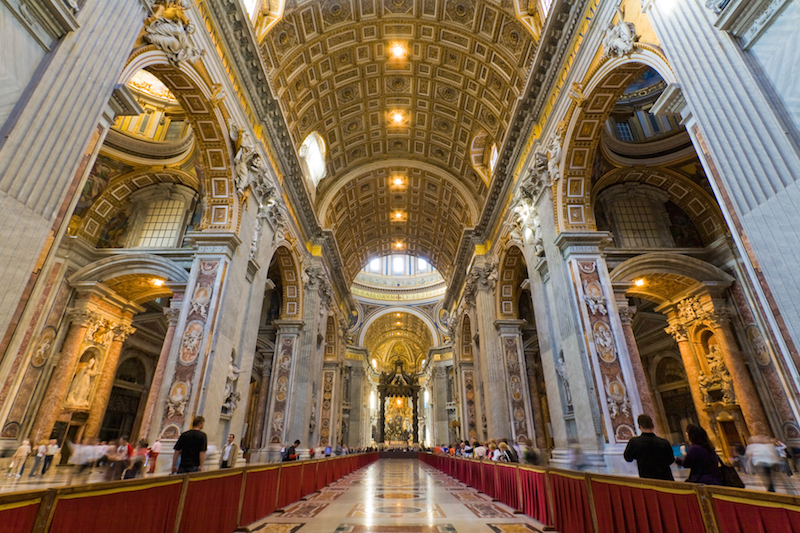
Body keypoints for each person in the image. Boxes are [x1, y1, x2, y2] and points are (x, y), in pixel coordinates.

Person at [623, 414, 675, 481]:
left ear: (639, 426)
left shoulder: (635, 442)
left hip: (648, 479)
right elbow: (671, 460)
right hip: (665, 479)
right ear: (652, 425)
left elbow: (628, 458)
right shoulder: (664, 442)